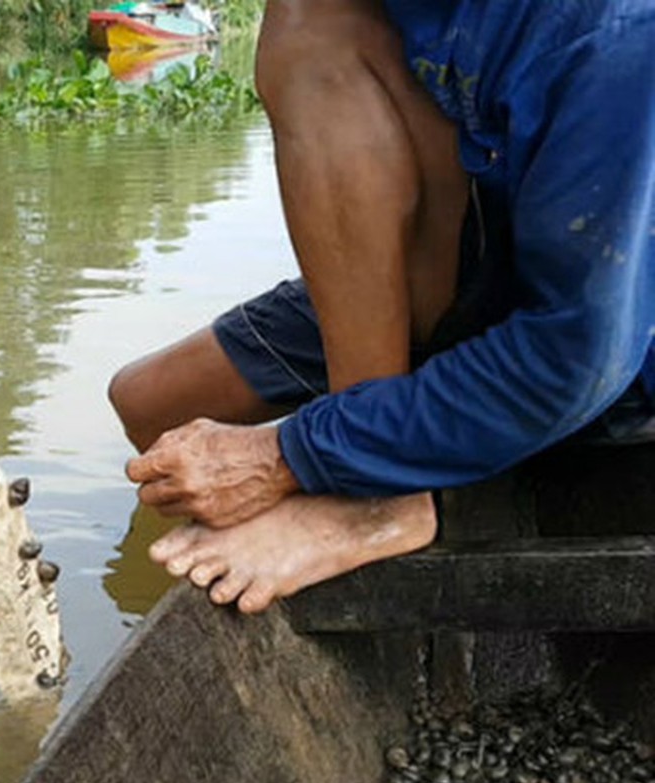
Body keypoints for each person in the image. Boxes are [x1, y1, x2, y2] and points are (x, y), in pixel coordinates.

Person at [110, 0, 655, 613]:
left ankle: (375, 499)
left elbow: (575, 361)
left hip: (610, 347)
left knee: (309, 27)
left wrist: (291, 456)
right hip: (473, 250)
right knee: (149, 404)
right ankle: (180, 568)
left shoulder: (611, 29)